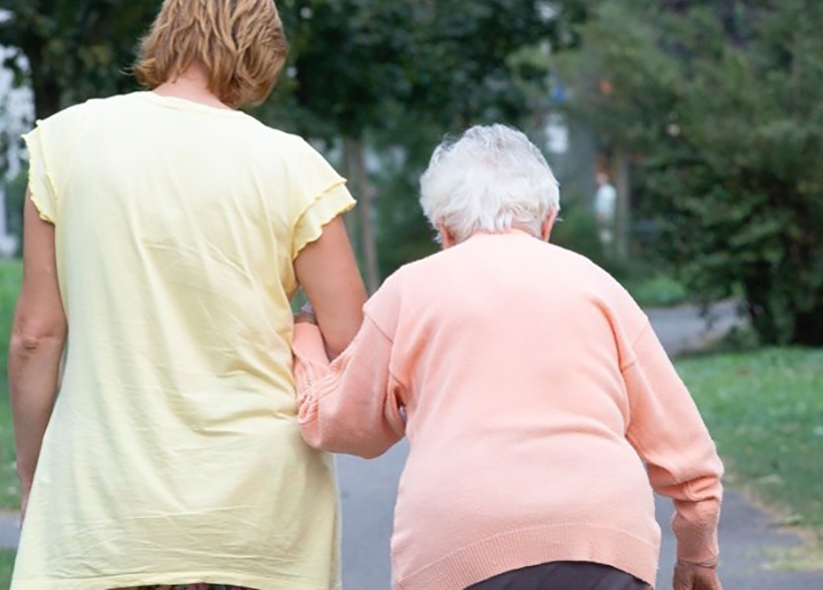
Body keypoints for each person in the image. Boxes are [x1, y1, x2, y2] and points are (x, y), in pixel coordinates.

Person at [8, 0, 366, 590]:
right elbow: (356, 344)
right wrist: (304, 330)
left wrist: (34, 471)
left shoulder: (66, 143)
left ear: (165, 32)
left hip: (106, 507)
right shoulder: (293, 167)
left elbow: (37, 334)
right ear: (263, 52)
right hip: (260, 511)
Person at [292, 125, 724, 590]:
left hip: (459, 544)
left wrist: (305, 339)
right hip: (604, 538)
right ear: (547, 220)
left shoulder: (409, 290)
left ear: (444, 230)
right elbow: (689, 459)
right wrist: (697, 558)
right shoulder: (598, 287)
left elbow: (346, 426)